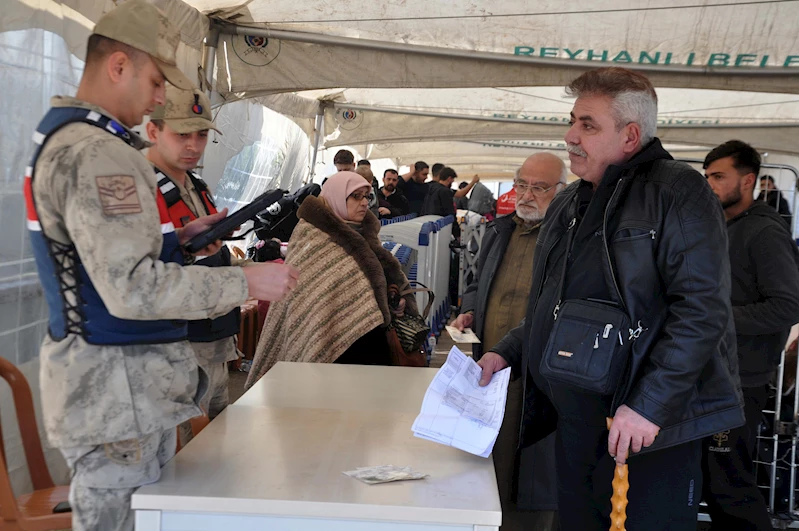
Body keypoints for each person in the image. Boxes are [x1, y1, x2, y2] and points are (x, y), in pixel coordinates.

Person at [23, 2, 299, 529]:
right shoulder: (98, 153)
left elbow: (97, 268)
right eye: (154, 82)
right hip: (117, 395)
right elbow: (129, 289)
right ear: (117, 65)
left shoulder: (76, 139)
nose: (157, 101)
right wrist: (242, 279)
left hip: (120, 392)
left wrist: (179, 247)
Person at [477, 67, 744, 531]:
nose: (570, 135)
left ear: (630, 135)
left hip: (646, 431)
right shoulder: (568, 202)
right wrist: (510, 350)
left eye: (588, 125)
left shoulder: (678, 191)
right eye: (573, 120)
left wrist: (649, 406)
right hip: (578, 424)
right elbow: (556, 302)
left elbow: (701, 312)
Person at [454, 152, 567, 531]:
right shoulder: (500, 230)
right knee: (486, 454)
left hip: (536, 370)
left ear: (561, 191)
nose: (527, 194)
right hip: (488, 363)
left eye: (540, 187)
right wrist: (469, 309)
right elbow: (475, 282)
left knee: (531, 463)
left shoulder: (568, 238)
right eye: (522, 184)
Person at [244, 171, 419, 386]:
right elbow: (308, 301)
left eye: (367, 196)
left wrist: (394, 300)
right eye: (356, 196)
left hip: (371, 345)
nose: (364, 203)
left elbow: (375, 282)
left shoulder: (365, 235)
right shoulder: (313, 237)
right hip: (332, 349)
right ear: (336, 197)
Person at [703, 140, 799, 530]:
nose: (709, 184)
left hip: (741, 381)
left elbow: (788, 305)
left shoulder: (764, 233)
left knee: (730, 487)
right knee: (713, 481)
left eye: (718, 177)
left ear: (747, 181)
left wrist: (717, 318)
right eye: (707, 176)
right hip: (710, 374)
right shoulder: (719, 226)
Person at [145, 86, 241, 445]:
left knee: (218, 435)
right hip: (176, 340)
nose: (193, 145)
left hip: (214, 334)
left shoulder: (196, 185)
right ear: (153, 131)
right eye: (182, 134)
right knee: (184, 449)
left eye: (201, 135)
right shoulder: (139, 187)